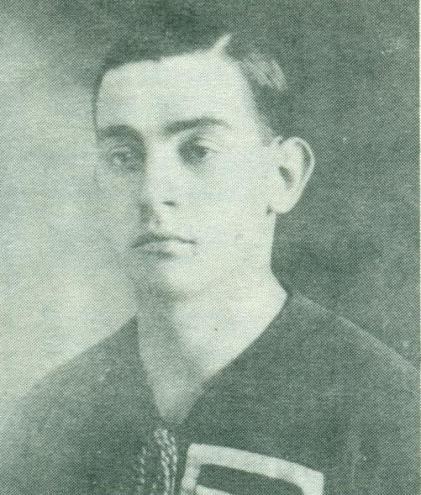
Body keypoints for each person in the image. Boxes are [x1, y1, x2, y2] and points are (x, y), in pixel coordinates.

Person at [0, 20, 417, 495]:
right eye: (123, 156)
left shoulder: (392, 418)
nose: (152, 192)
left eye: (198, 151)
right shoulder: (42, 423)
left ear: (283, 176)